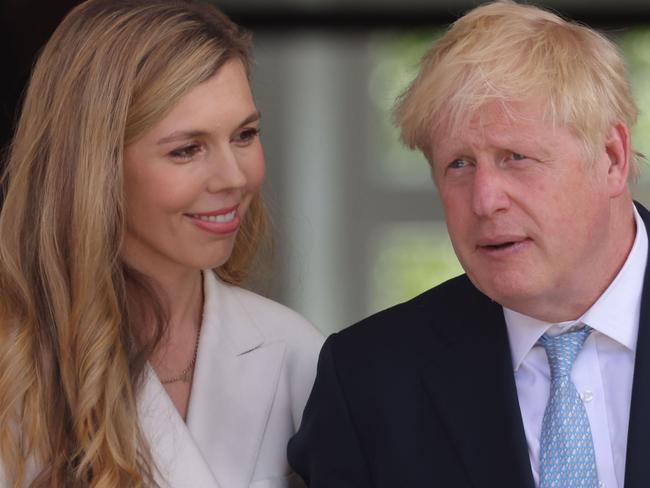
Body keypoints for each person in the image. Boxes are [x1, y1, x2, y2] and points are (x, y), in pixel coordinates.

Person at [288, 2, 650, 487]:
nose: (483, 200)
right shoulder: (369, 380)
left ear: (611, 159)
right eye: (459, 164)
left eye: (515, 157)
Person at [0, 0, 323, 486]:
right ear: (96, 168)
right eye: (186, 149)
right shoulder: (13, 367)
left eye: (244, 134)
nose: (234, 177)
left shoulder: (297, 353)